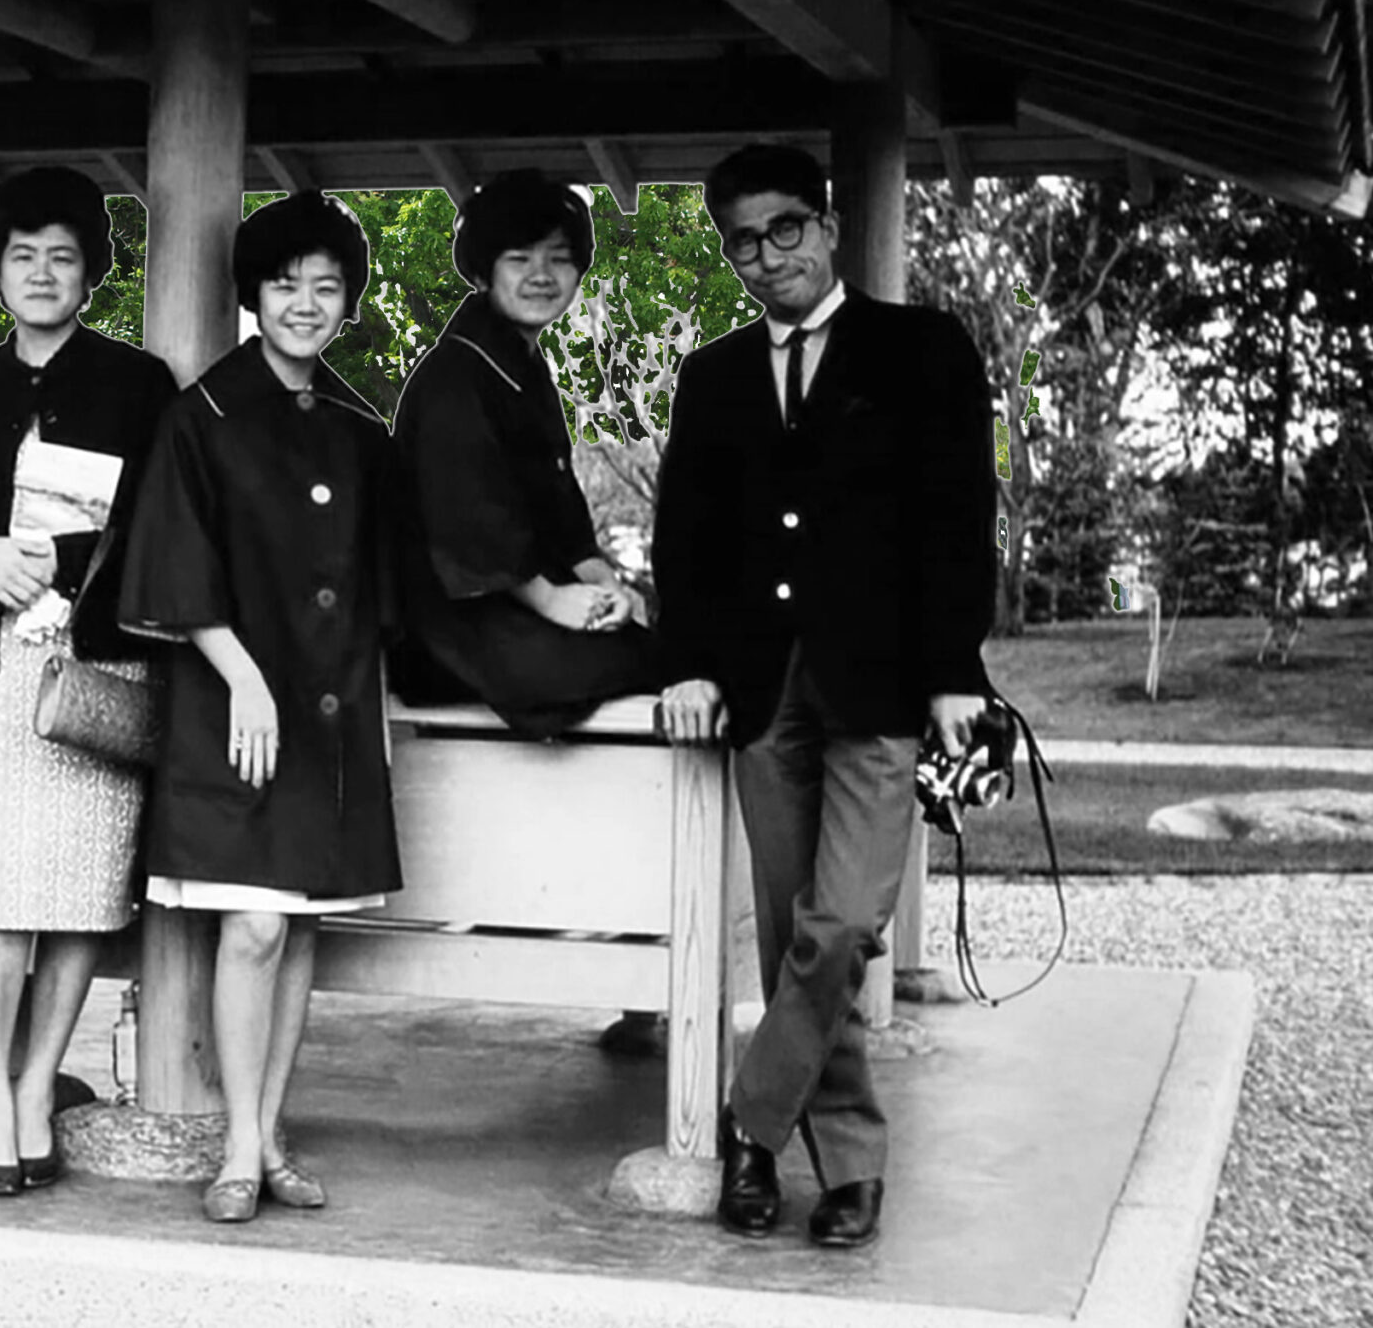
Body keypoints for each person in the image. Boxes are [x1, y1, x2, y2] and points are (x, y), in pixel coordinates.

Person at [652, 144, 996, 1250]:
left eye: (786, 229)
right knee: (787, 930)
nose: (768, 258)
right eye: (744, 241)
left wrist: (953, 675)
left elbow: (956, 525)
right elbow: (684, 545)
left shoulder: (923, 350)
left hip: (883, 683)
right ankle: (845, 1164)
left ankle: (752, 1127)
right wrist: (690, 661)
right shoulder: (711, 377)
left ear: (831, 225)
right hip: (759, 690)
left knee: (841, 925)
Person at [118, 191, 402, 1226]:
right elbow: (171, 565)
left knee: (300, 930)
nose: (305, 304)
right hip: (233, 709)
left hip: (328, 719)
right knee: (251, 926)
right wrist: (240, 674)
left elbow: (384, 587)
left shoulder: (358, 430)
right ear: (253, 294)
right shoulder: (201, 417)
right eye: (286, 284)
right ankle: (239, 1146)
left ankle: (268, 1135)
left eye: (326, 287)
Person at [0, 166, 178, 1196]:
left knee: (75, 897)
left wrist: (76, 567)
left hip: (97, 664)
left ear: (91, 272)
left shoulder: (137, 384)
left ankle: (34, 1084)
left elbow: (164, 513)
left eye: (62, 255)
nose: (41, 273)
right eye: (22, 255)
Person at [393, 171, 664, 735]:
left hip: (526, 606)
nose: (542, 276)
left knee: (663, 641)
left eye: (559, 258)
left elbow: (562, 509)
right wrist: (553, 601)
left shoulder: (520, 364)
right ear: (484, 270)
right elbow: (472, 522)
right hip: (456, 625)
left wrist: (605, 586)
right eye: (519, 258)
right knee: (659, 660)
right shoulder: (457, 377)